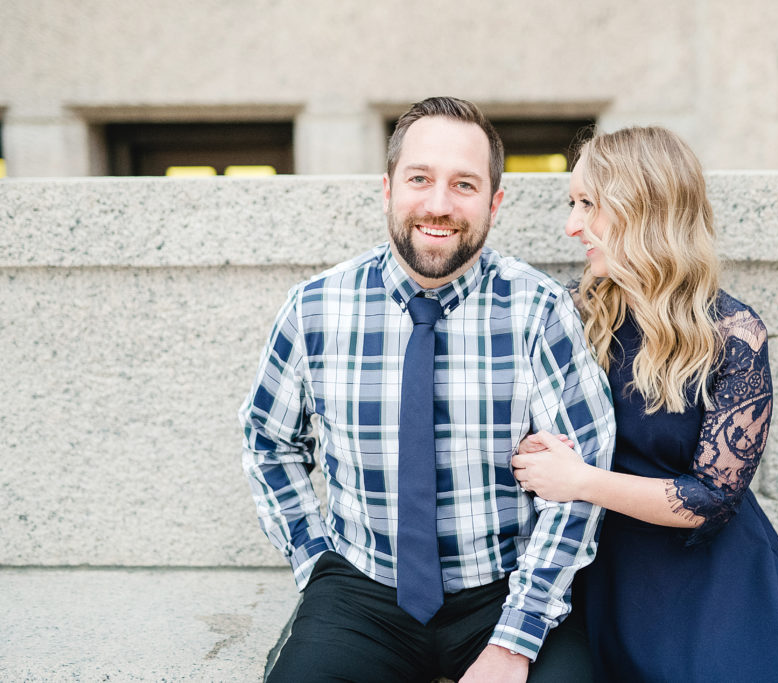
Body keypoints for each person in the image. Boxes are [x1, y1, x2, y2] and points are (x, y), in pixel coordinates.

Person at [239, 96, 615, 682]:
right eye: (420, 179)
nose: (439, 204)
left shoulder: (539, 311)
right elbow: (268, 441)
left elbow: (581, 482)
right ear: (388, 189)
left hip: (506, 588)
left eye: (464, 185)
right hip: (361, 589)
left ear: (494, 203)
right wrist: (314, 562)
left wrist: (514, 641)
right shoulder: (315, 308)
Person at [511, 126, 778, 682]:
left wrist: (580, 481)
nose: (572, 226)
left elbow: (710, 499)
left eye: (589, 204)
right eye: (573, 204)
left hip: (702, 573)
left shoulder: (734, 335)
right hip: (592, 560)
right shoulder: (571, 313)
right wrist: (533, 450)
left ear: (645, 208)